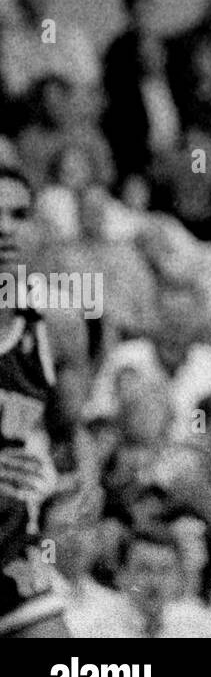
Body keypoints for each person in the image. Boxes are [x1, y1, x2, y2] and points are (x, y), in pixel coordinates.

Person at [0, 166, 93, 637]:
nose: (4, 226)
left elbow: (71, 435)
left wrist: (80, 492)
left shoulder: (56, 323)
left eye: (18, 213)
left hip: (12, 541)